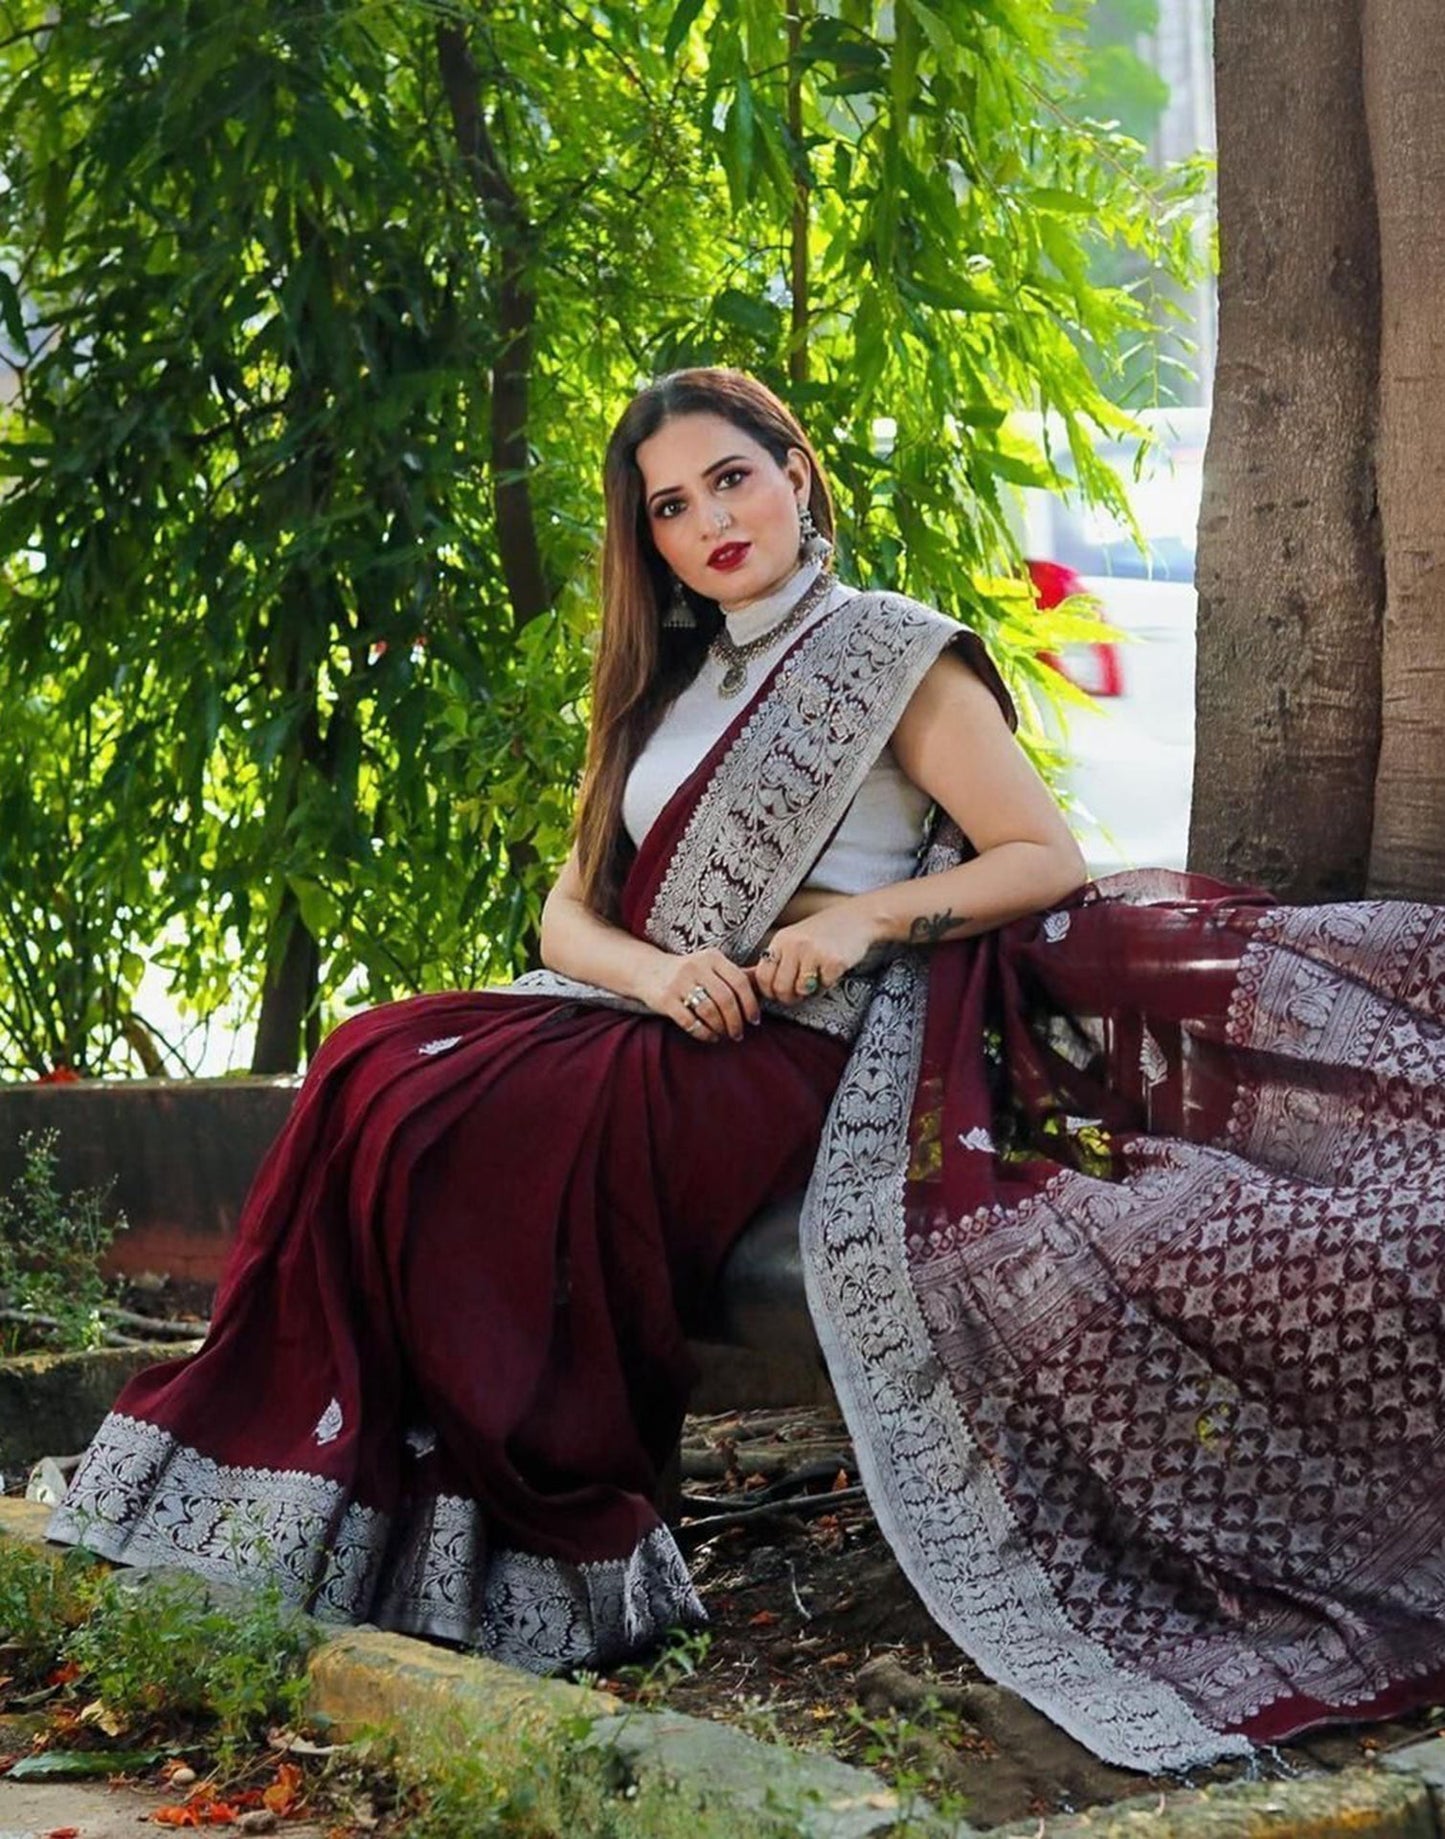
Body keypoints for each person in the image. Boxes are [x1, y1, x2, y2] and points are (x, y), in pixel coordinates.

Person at [48, 369, 1445, 1776]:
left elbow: (1042, 858)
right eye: (669, 507)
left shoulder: (894, 655)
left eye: (730, 479)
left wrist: (853, 921)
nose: (709, 520)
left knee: (495, 1127)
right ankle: (350, 1501)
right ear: (646, 542)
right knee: (368, 1064)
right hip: (655, 1013)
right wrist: (654, 975)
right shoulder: (663, 685)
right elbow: (567, 916)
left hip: (805, 1043)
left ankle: (539, 1539)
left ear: (795, 474)